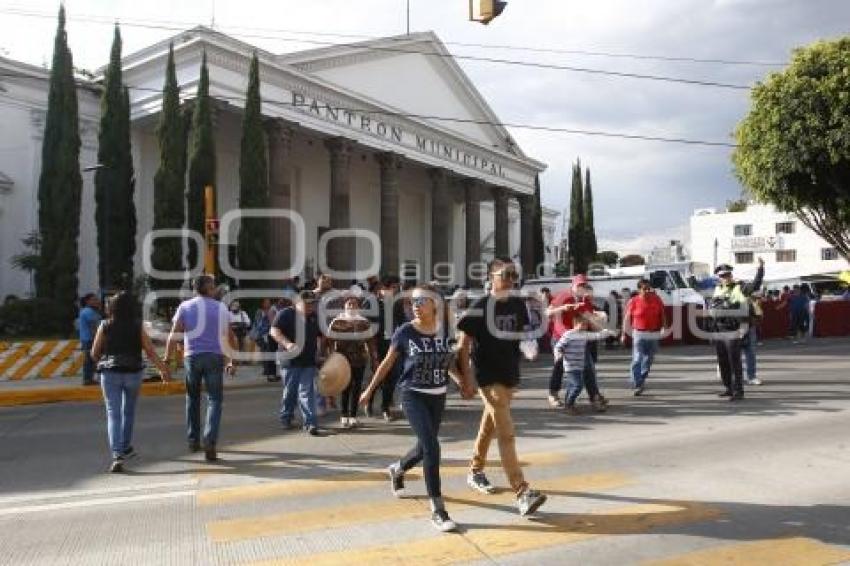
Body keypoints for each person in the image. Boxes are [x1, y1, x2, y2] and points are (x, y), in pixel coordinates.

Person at [359, 284, 475, 533]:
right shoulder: (404, 333)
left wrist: (462, 381)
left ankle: (397, 469)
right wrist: (369, 391)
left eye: (421, 300)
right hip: (413, 395)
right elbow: (386, 365)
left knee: (424, 448)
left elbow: (446, 363)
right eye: (412, 302)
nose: (415, 305)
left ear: (435, 304)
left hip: (438, 396)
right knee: (433, 447)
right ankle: (438, 509)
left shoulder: (445, 331)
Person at [456, 257, 548, 517]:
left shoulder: (519, 305)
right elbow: (463, 345)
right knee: (506, 433)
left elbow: (515, 338)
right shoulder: (480, 307)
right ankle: (522, 491)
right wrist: (466, 380)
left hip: (509, 374)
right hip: (487, 376)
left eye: (513, 275)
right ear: (491, 278)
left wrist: (526, 348)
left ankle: (475, 470)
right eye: (504, 275)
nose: (510, 279)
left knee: (490, 425)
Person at [91, 292, 172, 472]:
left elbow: (94, 352)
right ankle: (126, 446)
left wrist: (101, 361)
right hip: (133, 373)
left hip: (110, 373)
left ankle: (117, 454)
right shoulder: (137, 326)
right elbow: (150, 351)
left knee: (113, 414)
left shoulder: (105, 325)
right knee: (128, 411)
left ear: (111, 307)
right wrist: (162, 369)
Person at [164, 275, 237, 462]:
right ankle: (210, 440)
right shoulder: (221, 308)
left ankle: (193, 440)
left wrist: (166, 359)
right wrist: (230, 361)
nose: (215, 289)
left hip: (192, 357)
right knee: (215, 400)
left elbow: (174, 334)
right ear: (209, 288)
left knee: (192, 399)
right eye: (213, 286)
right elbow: (229, 337)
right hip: (214, 357)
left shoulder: (185, 307)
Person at [707, 259, 764, 401]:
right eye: (722, 276)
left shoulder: (740, 287)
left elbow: (755, 286)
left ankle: (738, 391)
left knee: (734, 361)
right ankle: (728, 388)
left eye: (727, 275)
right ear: (718, 277)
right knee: (723, 361)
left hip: (733, 329)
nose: (725, 278)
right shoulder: (718, 288)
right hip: (720, 329)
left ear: (731, 275)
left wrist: (760, 269)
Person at [270, 290, 323, 435]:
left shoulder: (313, 316)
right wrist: (288, 344)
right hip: (290, 361)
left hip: (308, 360)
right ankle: (286, 416)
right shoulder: (286, 314)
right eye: (307, 304)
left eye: (313, 303)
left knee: (307, 392)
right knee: (290, 392)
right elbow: (274, 331)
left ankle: (310, 423)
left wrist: (320, 353)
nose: (311, 306)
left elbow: (320, 336)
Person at [328, 295, 377, 429]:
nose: (351, 306)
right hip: (342, 360)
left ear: (358, 306)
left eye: (354, 304)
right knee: (345, 387)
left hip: (359, 360)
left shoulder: (364, 323)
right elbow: (329, 342)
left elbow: (371, 343)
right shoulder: (337, 322)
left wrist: (374, 360)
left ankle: (353, 416)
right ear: (344, 306)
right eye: (349, 304)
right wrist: (331, 358)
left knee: (356, 387)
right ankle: (344, 415)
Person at [544, 275, 593, 408]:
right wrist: (563, 308)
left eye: (584, 286)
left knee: (587, 366)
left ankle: (594, 396)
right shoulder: (563, 296)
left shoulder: (585, 300)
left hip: (577, 339)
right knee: (559, 366)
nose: (582, 288)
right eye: (579, 285)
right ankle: (553, 393)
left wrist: (601, 320)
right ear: (573, 286)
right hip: (560, 338)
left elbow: (590, 317)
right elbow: (547, 313)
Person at [553, 312, 614, 415]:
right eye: (582, 324)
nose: (585, 327)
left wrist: (609, 332)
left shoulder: (584, 335)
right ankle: (569, 404)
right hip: (570, 366)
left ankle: (569, 405)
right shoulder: (569, 334)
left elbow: (597, 335)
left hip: (579, 365)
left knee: (572, 385)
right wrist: (558, 355)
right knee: (578, 385)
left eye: (586, 325)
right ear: (575, 324)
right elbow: (558, 346)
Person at [622, 279, 668, 396]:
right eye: (644, 289)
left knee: (648, 360)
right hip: (639, 333)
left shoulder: (656, 299)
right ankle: (637, 384)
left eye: (649, 288)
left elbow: (662, 313)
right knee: (637, 359)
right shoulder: (633, 301)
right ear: (639, 290)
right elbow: (627, 318)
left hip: (653, 333)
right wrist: (623, 334)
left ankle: (640, 379)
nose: (647, 291)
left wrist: (664, 327)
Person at [251, 298, 278, 382]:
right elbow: (259, 324)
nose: (267, 304)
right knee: (266, 352)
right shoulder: (260, 312)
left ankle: (268, 371)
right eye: (266, 302)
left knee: (268, 352)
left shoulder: (272, 310)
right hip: (261, 335)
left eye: (269, 302)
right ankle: (268, 371)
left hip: (268, 334)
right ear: (262, 303)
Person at [78, 293, 102, 386]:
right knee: (89, 359)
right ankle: (87, 379)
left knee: (92, 359)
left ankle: (90, 378)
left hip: (91, 339)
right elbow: (93, 327)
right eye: (94, 300)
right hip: (89, 339)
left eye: (97, 299)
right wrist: (98, 339)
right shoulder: (88, 311)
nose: (97, 301)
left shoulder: (94, 311)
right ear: (88, 301)